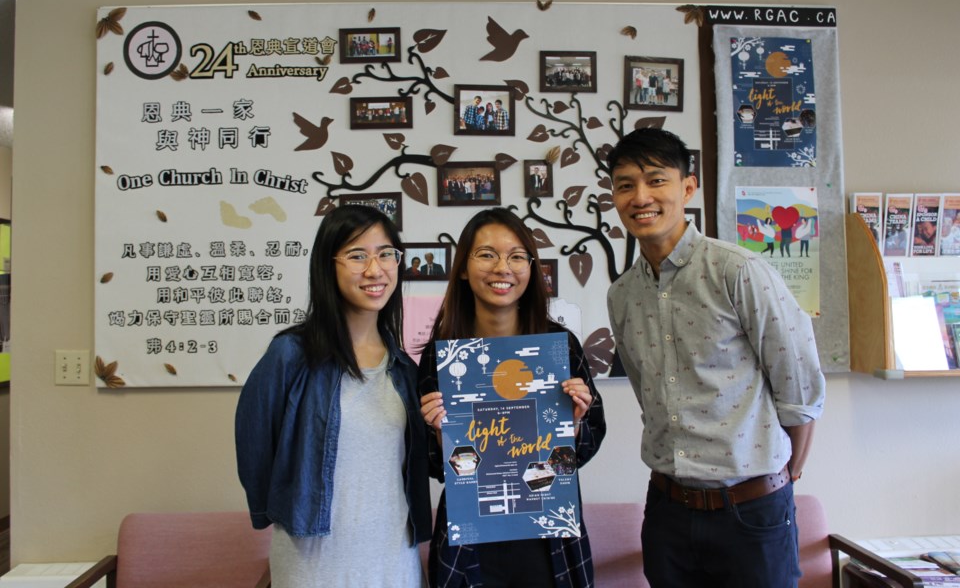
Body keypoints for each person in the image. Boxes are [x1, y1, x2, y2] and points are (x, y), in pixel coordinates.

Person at [605, 128, 825, 588]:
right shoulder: (622, 295)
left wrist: (785, 474)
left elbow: (799, 388)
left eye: (655, 180)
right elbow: (649, 397)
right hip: (666, 511)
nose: (640, 196)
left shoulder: (738, 271)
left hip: (752, 512)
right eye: (625, 184)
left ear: (687, 187)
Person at [235, 204, 432, 588]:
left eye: (386, 254)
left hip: (393, 558)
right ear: (328, 265)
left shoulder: (405, 369)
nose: (375, 270)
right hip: (313, 563)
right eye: (357, 256)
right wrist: (277, 512)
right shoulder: (291, 354)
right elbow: (253, 442)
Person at [419, 208, 606, 588]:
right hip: (469, 540)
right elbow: (433, 463)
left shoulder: (560, 349)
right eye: (487, 254)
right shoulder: (443, 354)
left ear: (531, 269)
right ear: (463, 268)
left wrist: (572, 425)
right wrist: (441, 437)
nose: (503, 267)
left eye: (517, 256)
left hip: (549, 535)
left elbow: (580, 451)